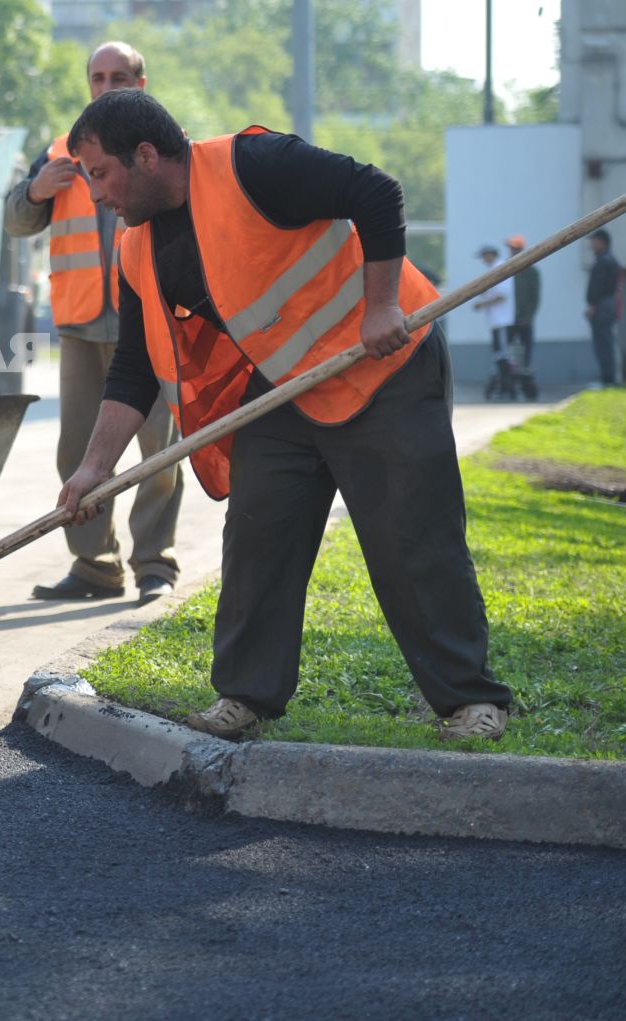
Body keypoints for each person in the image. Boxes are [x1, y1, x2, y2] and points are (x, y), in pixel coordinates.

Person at [57, 90, 512, 744]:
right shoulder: (135, 252)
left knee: (411, 537)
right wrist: (94, 467)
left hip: (385, 365)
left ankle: (470, 700)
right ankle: (246, 696)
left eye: (99, 173)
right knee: (258, 532)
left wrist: (381, 305)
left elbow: (378, 192)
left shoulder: (254, 165)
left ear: (147, 155)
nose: (96, 194)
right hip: (288, 386)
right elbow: (132, 367)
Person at [3, 41, 182, 604]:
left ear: (141, 83)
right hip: (81, 323)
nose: (107, 87)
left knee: (160, 452)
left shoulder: (162, 147)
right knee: (77, 451)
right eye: (98, 79)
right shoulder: (61, 151)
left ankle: (154, 564)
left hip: (149, 320)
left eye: (119, 77)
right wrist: (35, 191)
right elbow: (15, 221)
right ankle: (95, 566)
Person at [585, 229, 621, 386]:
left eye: (594, 241)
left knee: (603, 343)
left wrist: (592, 304)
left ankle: (608, 379)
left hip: (601, 306)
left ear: (602, 242)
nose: (591, 245)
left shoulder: (604, 261)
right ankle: (608, 378)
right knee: (605, 342)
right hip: (606, 304)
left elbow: (598, 287)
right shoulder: (609, 260)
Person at [505, 233, 539, 371]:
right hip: (508, 318)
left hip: (524, 318)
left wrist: (528, 317)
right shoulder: (504, 269)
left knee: (526, 349)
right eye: (511, 248)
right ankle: (508, 377)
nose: (512, 251)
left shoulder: (531, 272)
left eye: (515, 248)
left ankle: (525, 375)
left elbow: (534, 297)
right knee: (507, 349)